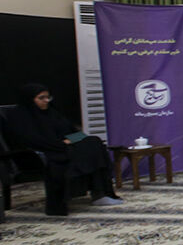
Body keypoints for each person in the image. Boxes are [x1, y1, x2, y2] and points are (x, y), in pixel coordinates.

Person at [6, 83, 122, 215]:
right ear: (29, 99)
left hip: (64, 146)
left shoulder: (52, 112)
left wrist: (68, 141)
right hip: (42, 152)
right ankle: (98, 194)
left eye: (48, 97)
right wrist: (61, 144)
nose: (46, 101)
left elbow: (76, 133)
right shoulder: (19, 116)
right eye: (41, 98)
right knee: (86, 151)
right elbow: (31, 140)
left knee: (94, 142)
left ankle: (100, 194)